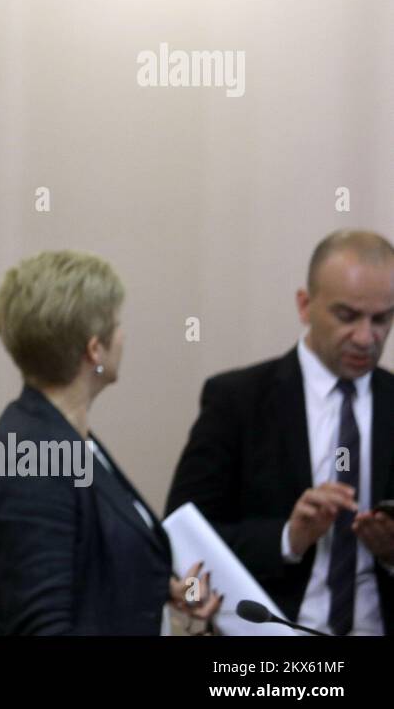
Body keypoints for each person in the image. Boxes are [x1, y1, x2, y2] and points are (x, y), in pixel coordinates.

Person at [0, 250, 219, 634]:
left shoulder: (65, 436)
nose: (123, 335)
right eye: (117, 324)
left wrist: (162, 591)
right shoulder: (34, 458)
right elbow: (43, 626)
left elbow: (89, 564)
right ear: (94, 350)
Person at [166, 230, 394, 635]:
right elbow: (183, 537)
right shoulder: (237, 401)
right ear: (305, 306)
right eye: (347, 316)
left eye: (381, 319)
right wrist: (289, 537)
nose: (366, 337)